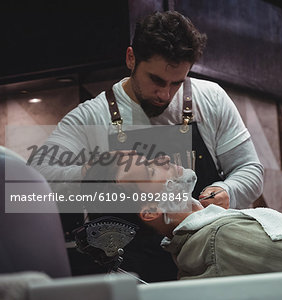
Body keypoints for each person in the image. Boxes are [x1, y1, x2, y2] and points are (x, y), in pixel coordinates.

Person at [29, 11, 263, 281]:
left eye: (177, 83)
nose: (165, 95)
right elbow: (35, 180)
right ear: (131, 58)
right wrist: (98, 171)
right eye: (156, 80)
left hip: (209, 269)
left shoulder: (211, 99)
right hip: (131, 278)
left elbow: (250, 169)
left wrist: (227, 190)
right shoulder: (91, 117)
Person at [81, 154, 282, 297]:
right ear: (151, 210)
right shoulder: (223, 239)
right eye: (152, 167)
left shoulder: (208, 239)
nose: (165, 157)